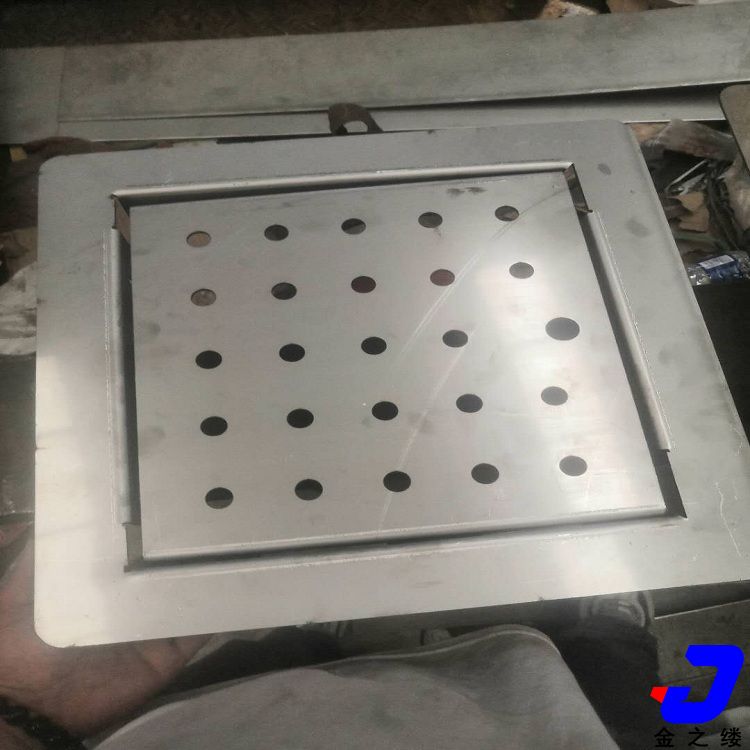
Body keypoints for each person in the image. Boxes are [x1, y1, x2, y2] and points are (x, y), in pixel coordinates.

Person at [0, 530, 664, 749]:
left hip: (206, 727)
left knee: (283, 667)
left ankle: (319, 629)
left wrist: (28, 711)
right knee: (605, 684)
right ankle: (613, 625)